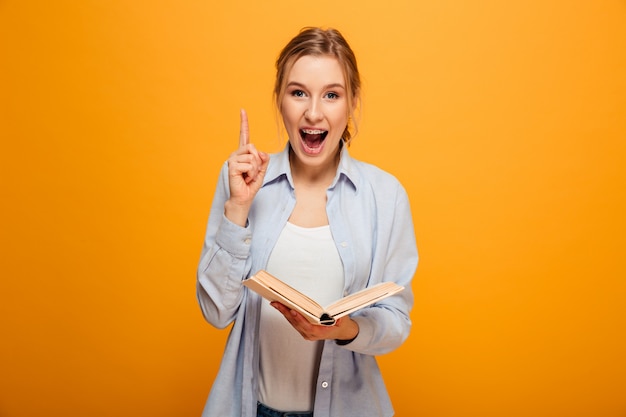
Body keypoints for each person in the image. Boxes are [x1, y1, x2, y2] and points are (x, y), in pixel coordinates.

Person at [197, 26, 418, 417]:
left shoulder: (385, 195)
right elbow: (216, 312)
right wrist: (238, 208)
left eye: (331, 95)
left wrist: (344, 331)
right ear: (280, 100)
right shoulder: (243, 182)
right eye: (298, 92)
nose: (313, 112)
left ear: (350, 104)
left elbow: (396, 321)